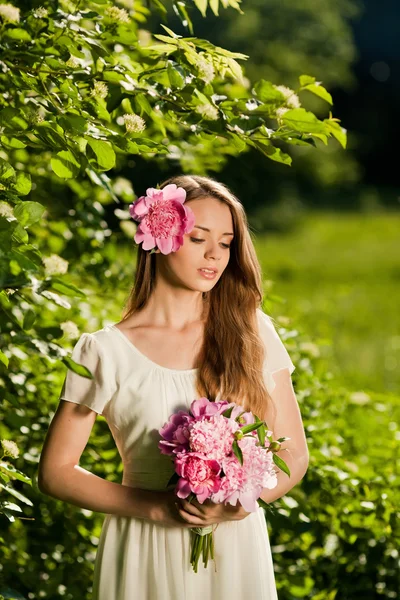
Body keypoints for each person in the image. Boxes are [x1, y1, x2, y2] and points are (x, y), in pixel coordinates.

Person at [38, 174, 309, 599]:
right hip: (144, 543)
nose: (215, 255)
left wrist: (239, 504)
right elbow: (55, 473)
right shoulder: (104, 351)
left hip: (236, 545)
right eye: (199, 238)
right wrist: (158, 507)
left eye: (226, 242)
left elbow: (294, 453)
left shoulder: (252, 330)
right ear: (159, 236)